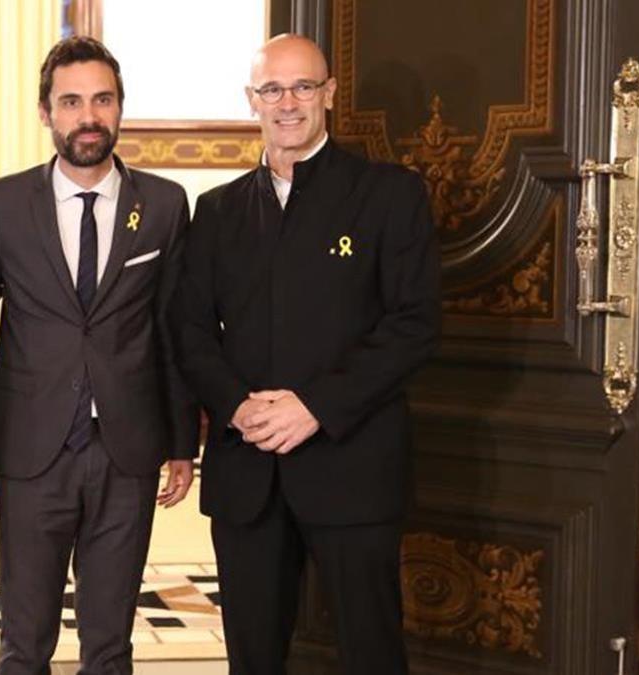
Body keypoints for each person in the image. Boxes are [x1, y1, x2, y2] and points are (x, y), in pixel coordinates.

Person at [169, 35, 441, 674]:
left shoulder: (389, 195)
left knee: (372, 652)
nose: (287, 102)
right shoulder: (217, 210)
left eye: (302, 87)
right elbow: (188, 330)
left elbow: (415, 326)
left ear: (329, 95)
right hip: (247, 474)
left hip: (353, 465)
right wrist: (235, 408)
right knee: (253, 658)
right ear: (251, 101)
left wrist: (315, 406)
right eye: (272, 89)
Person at [0, 36, 200, 675]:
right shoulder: (1, 203)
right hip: (29, 446)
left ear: (121, 108)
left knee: (109, 645)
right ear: (45, 112)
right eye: (70, 102)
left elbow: (173, 331)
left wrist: (183, 442)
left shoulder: (162, 204)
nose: (88, 116)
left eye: (102, 99)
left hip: (125, 450)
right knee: (23, 642)